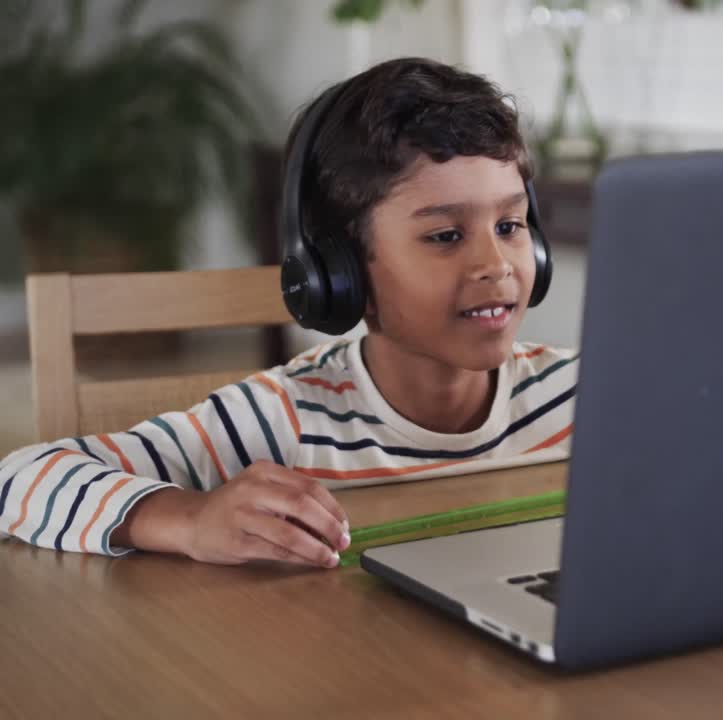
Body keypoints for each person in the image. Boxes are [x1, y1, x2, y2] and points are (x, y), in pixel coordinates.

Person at [0, 57, 577, 569]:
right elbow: (17, 479)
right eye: (447, 235)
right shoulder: (285, 419)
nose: (496, 265)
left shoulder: (587, 396)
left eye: (510, 226)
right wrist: (190, 519)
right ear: (339, 271)